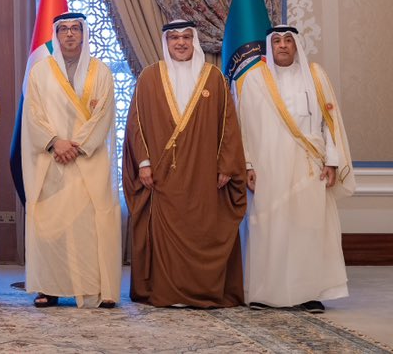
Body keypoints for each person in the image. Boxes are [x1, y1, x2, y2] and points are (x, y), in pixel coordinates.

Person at [123, 20, 246, 308]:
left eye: (186, 37)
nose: (180, 43)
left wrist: (227, 165)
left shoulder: (213, 78)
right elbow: (136, 125)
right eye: (174, 37)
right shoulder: (149, 77)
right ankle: (168, 293)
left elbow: (229, 125)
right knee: (165, 233)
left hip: (204, 175)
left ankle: (201, 289)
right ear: (165, 42)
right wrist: (143, 163)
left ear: (195, 42)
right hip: (161, 175)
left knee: (203, 229)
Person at [238, 26, 355, 313]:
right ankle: (266, 293)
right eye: (276, 41)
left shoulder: (315, 75)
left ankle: (309, 292)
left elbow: (331, 122)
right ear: (269, 46)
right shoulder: (254, 79)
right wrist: (248, 164)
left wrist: (331, 160)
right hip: (269, 166)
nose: (282, 46)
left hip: (308, 165)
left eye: (288, 40)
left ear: (296, 45)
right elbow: (244, 128)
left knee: (308, 227)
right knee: (269, 227)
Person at [22, 12, 121, 309]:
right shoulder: (40, 72)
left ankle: (97, 288)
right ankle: (49, 288)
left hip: (88, 160)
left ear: (84, 33)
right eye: (63, 29)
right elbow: (33, 114)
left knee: (90, 224)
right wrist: (56, 143)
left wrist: (76, 146)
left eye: (75, 29)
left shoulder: (101, 71)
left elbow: (104, 114)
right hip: (51, 159)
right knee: (51, 224)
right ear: (56, 35)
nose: (69, 34)